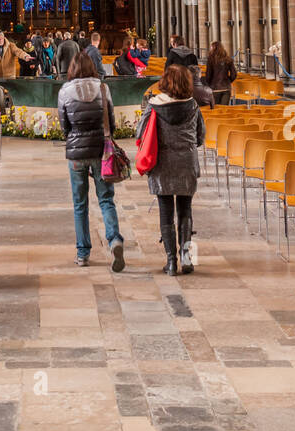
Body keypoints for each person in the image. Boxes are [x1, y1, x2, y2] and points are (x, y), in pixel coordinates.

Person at [58, 52, 125, 271]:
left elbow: (64, 123)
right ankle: (114, 239)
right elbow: (111, 120)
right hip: (100, 150)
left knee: (80, 204)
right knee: (106, 199)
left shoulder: (65, 90)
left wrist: (73, 138)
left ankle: (83, 253)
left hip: (76, 153)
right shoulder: (103, 88)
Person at [138, 64, 205, 274]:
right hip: (186, 161)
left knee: (165, 213)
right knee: (185, 211)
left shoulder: (154, 105)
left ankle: (170, 263)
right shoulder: (192, 105)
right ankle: (186, 258)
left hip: (162, 164)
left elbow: (141, 132)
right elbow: (200, 136)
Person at [0, 29, 35, 109]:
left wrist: (25, 56)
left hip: (10, 76)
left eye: (1, 38)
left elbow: (18, 51)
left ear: (4, 37)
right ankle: (3, 117)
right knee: (0, 99)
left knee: (12, 99)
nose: (0, 40)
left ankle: (12, 117)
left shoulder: (11, 45)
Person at [203, 40, 237, 105]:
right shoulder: (228, 59)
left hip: (215, 88)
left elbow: (208, 75)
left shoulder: (211, 59)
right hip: (226, 88)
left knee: (216, 110)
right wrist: (228, 81)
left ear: (213, 48)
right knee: (224, 110)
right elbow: (234, 74)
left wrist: (209, 84)